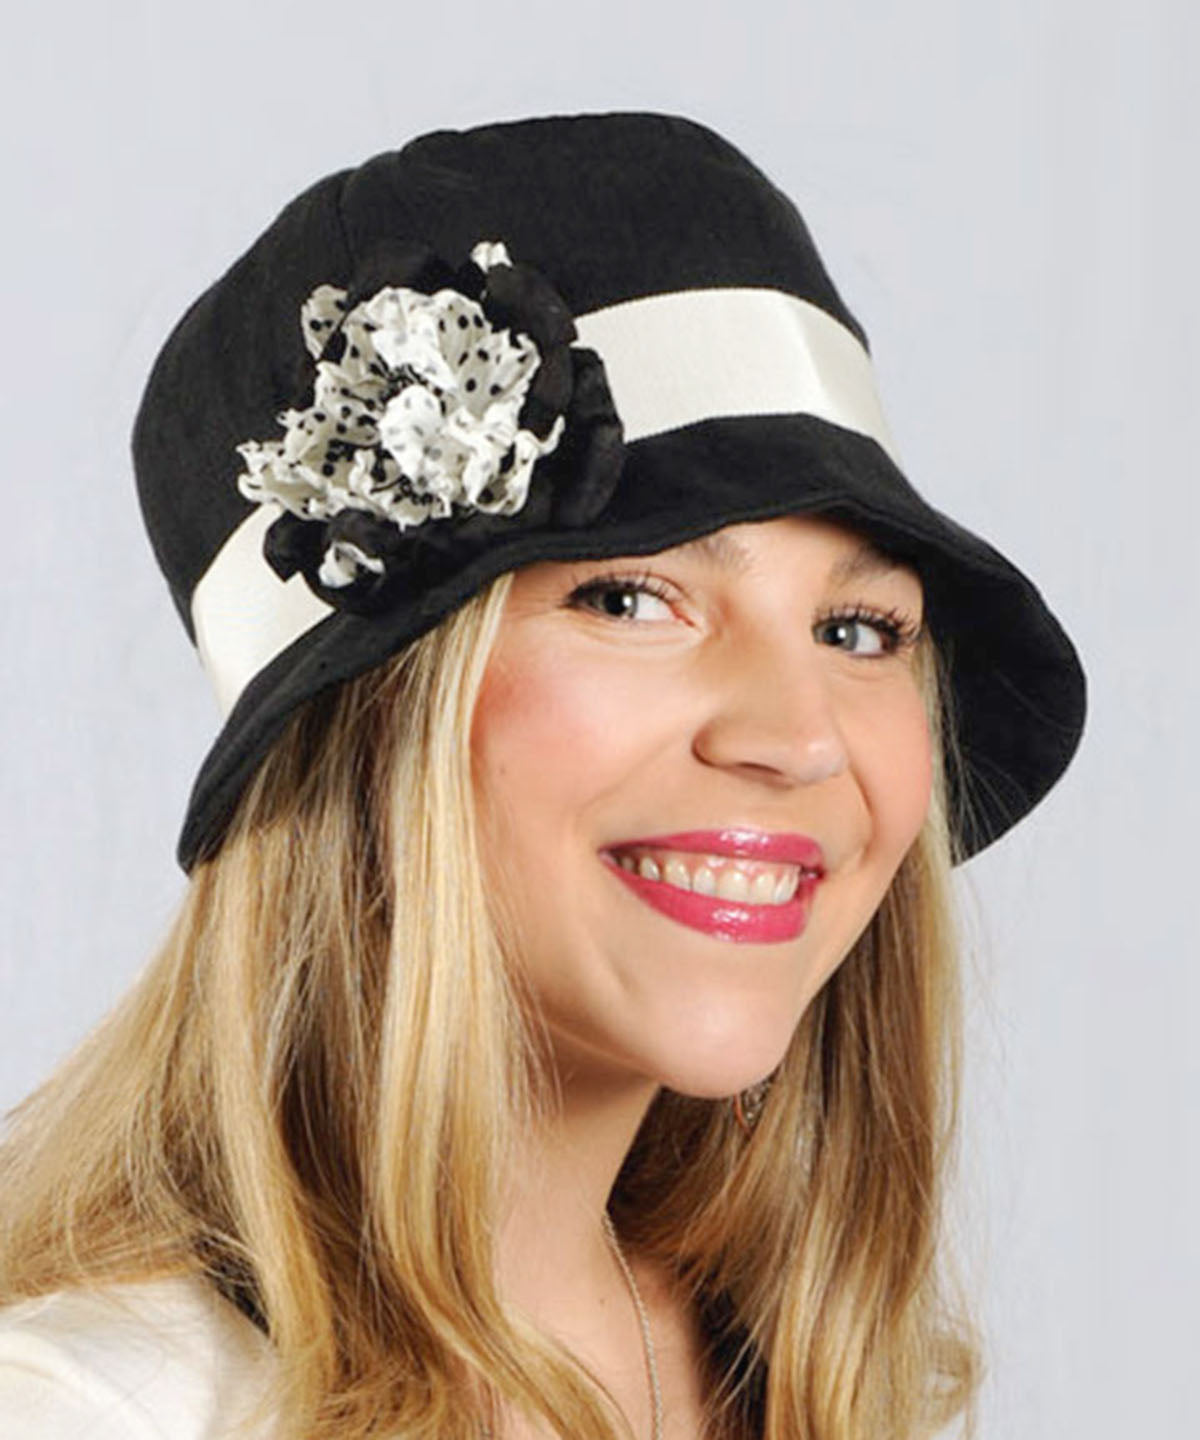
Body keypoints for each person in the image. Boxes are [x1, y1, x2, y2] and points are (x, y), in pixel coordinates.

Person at [0, 112, 1085, 1440]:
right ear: (376, 725)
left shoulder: (814, 1385)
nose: (799, 737)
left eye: (857, 632)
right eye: (633, 600)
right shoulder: (97, 1410)